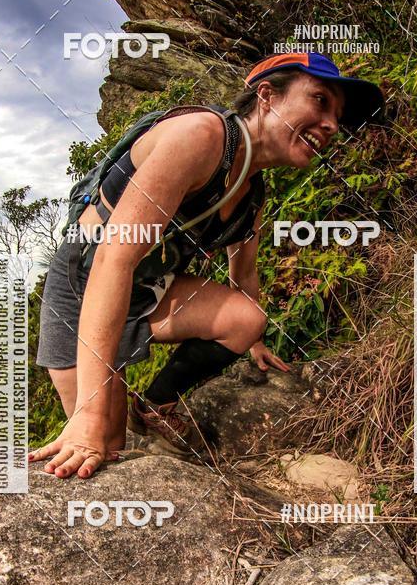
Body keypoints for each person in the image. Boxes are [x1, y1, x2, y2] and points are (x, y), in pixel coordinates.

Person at [31, 52, 384, 479]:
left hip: (148, 289)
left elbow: (244, 274)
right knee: (103, 444)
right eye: (320, 100)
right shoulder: (200, 136)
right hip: (85, 284)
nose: (331, 124)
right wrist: (89, 414)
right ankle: (101, 422)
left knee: (246, 319)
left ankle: (155, 405)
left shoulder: (251, 193)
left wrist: (254, 341)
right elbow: (113, 258)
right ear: (267, 95)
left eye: (338, 116)